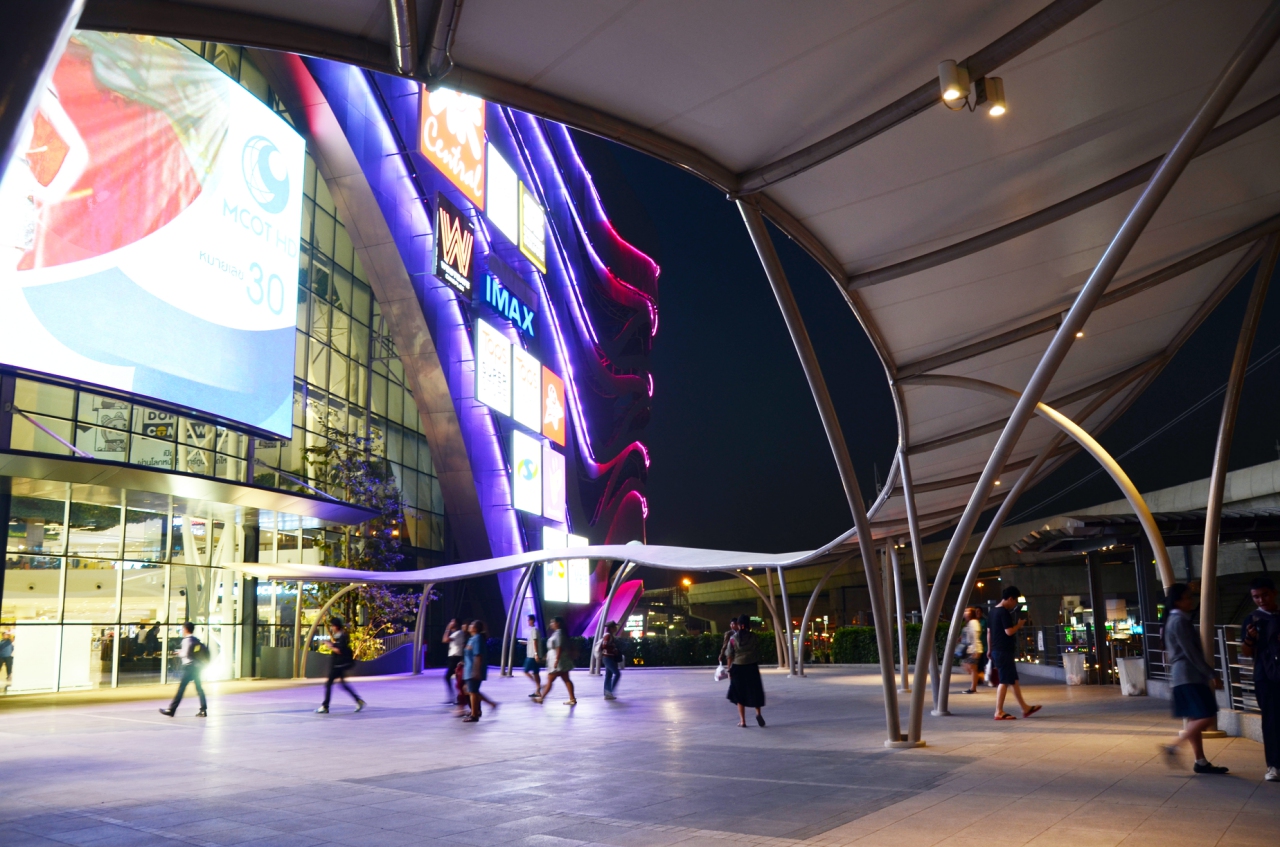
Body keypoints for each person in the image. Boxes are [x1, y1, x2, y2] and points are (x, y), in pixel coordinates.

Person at [1158, 583, 1228, 774]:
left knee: (1195, 717)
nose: (1191, 601)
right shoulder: (1179, 621)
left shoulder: (1174, 620)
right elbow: (1191, 653)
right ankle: (1174, 746)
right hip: (1189, 675)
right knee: (1207, 715)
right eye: (1188, 598)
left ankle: (1201, 761)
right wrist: (1211, 673)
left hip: (1182, 676)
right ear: (1178, 601)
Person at [1241, 576, 1279, 782]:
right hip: (1265, 676)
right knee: (1271, 721)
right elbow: (1246, 652)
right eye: (1256, 597)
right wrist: (1250, 638)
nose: (1261, 600)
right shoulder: (1252, 619)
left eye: (1264, 595)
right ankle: (1274, 765)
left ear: (1274, 593)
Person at [989, 586, 1041, 720]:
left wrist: (989, 649)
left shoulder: (993, 611)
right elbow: (1009, 631)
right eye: (1015, 600)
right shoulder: (1003, 612)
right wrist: (1019, 625)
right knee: (1004, 681)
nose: (1015, 604)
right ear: (1011, 598)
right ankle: (998, 711)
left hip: (997, 650)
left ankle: (1025, 708)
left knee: (1013, 680)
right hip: (1004, 651)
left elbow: (989, 632)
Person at [316, 617, 365, 714]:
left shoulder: (342, 637)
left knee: (329, 684)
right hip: (338, 665)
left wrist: (330, 645)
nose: (331, 628)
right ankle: (358, 700)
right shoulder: (340, 636)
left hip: (337, 666)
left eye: (332, 626)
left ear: (336, 626)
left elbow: (339, 650)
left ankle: (325, 706)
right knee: (343, 685)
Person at [159, 622, 207, 717]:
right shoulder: (195, 640)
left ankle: (172, 710)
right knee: (199, 688)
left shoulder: (186, 640)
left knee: (181, 689)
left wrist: (179, 653)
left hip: (189, 667)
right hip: (196, 667)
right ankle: (203, 710)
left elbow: (185, 654)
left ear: (186, 629)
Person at [726, 614, 766, 726]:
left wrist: (729, 670)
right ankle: (758, 713)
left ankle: (743, 721)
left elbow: (729, 655)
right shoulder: (754, 637)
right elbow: (758, 650)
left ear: (738, 625)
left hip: (738, 667)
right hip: (751, 666)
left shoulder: (733, 639)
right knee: (755, 691)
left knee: (739, 694)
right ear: (749, 624)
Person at [534, 616, 576, 705]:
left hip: (558, 661)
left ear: (558, 623)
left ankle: (541, 698)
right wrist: (546, 656)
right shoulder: (557, 633)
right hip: (559, 660)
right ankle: (572, 699)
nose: (551, 624)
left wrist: (556, 660)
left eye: (552, 622)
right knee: (566, 679)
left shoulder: (558, 633)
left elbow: (559, 647)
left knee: (550, 680)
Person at [462, 620, 496, 722]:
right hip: (469, 669)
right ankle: (489, 704)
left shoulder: (477, 638)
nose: (469, 626)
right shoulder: (472, 638)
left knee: (472, 692)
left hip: (473, 670)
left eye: (472, 625)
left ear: (476, 628)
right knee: (468, 690)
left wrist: (476, 671)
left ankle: (474, 715)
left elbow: (478, 655)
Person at [960, 607, 985, 694]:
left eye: (967, 611)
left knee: (971, 668)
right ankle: (979, 678)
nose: (965, 612)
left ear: (971, 614)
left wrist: (975, 650)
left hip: (973, 649)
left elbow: (975, 636)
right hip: (970, 649)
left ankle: (973, 687)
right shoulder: (970, 623)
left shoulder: (973, 622)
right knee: (968, 667)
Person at [443, 618, 467, 704]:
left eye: (452, 621)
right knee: (458, 678)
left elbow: (445, 640)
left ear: (456, 624)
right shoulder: (456, 633)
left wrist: (447, 629)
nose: (450, 623)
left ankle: (456, 697)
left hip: (455, 657)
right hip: (454, 657)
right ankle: (459, 697)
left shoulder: (458, 633)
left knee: (448, 677)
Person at [600, 621, 622, 700]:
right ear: (611, 628)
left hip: (608, 657)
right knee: (617, 674)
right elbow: (604, 645)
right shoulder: (608, 635)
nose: (616, 628)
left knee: (608, 676)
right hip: (607, 658)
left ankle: (607, 694)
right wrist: (613, 649)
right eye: (615, 627)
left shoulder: (609, 635)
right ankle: (610, 691)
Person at [522, 614, 543, 697]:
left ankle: (538, 686)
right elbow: (533, 642)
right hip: (534, 654)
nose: (527, 622)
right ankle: (538, 690)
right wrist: (526, 643)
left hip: (532, 655)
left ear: (532, 620)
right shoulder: (535, 630)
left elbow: (535, 642)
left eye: (528, 620)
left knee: (526, 671)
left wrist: (536, 654)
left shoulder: (534, 630)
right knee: (536, 672)